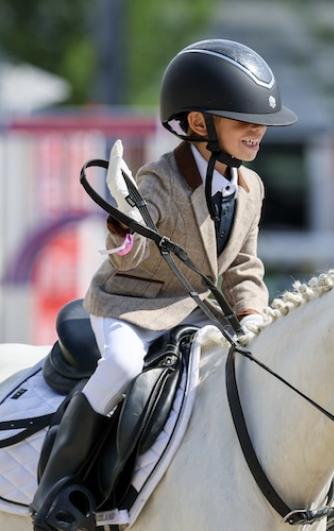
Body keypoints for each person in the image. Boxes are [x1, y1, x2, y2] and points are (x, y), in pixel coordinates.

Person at [31, 39, 297, 529]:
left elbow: (242, 266)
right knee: (123, 363)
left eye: (261, 122)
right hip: (131, 307)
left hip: (197, 312)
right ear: (199, 124)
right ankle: (58, 492)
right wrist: (125, 226)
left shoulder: (250, 187)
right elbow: (131, 247)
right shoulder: (157, 183)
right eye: (243, 119)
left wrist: (255, 316)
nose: (257, 130)